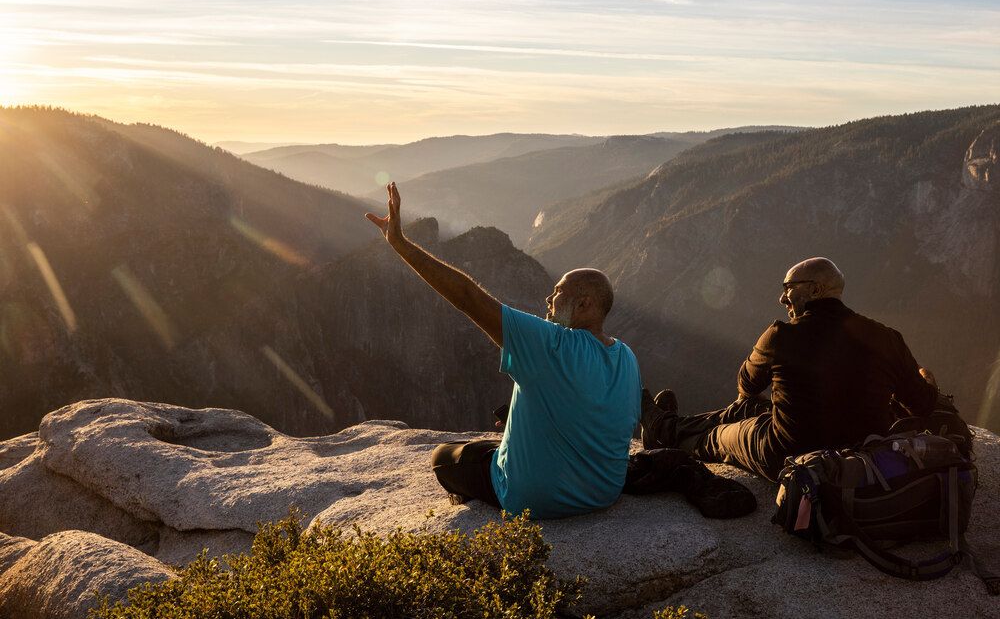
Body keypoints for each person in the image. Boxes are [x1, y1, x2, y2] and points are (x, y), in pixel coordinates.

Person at [366, 182, 641, 518]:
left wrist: (400, 244)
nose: (549, 300)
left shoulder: (551, 344)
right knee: (490, 447)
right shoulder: (626, 357)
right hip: (604, 493)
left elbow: (468, 298)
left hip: (532, 498)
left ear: (584, 304)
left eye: (557, 293)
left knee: (444, 458)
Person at [640, 257, 939, 481]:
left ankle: (668, 435)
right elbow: (922, 403)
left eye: (788, 288)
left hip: (786, 454)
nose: (782, 298)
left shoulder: (782, 335)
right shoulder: (886, 337)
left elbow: (746, 386)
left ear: (815, 289)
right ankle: (667, 426)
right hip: (861, 455)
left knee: (720, 436)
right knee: (753, 409)